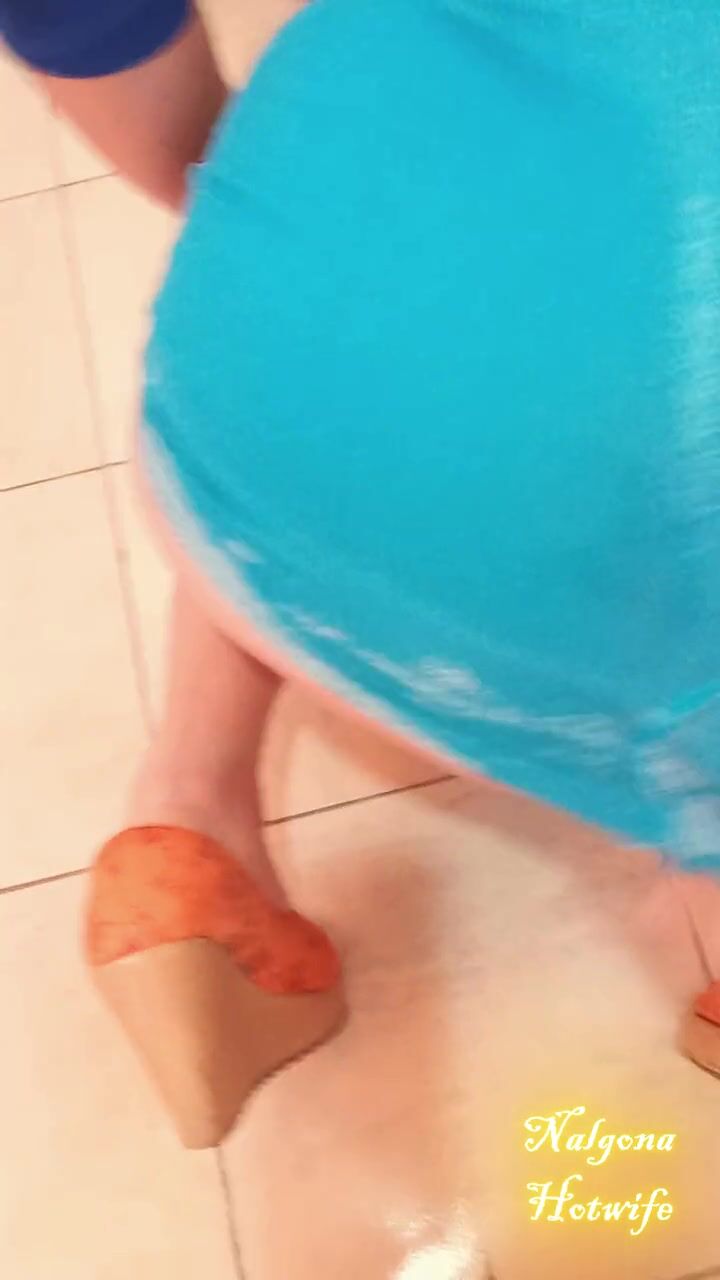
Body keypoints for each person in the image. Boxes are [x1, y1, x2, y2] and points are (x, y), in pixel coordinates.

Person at [4, 0, 720, 1145]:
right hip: (614, 491)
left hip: (242, 401)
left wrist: (267, 211)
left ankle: (186, 824)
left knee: (413, 364)